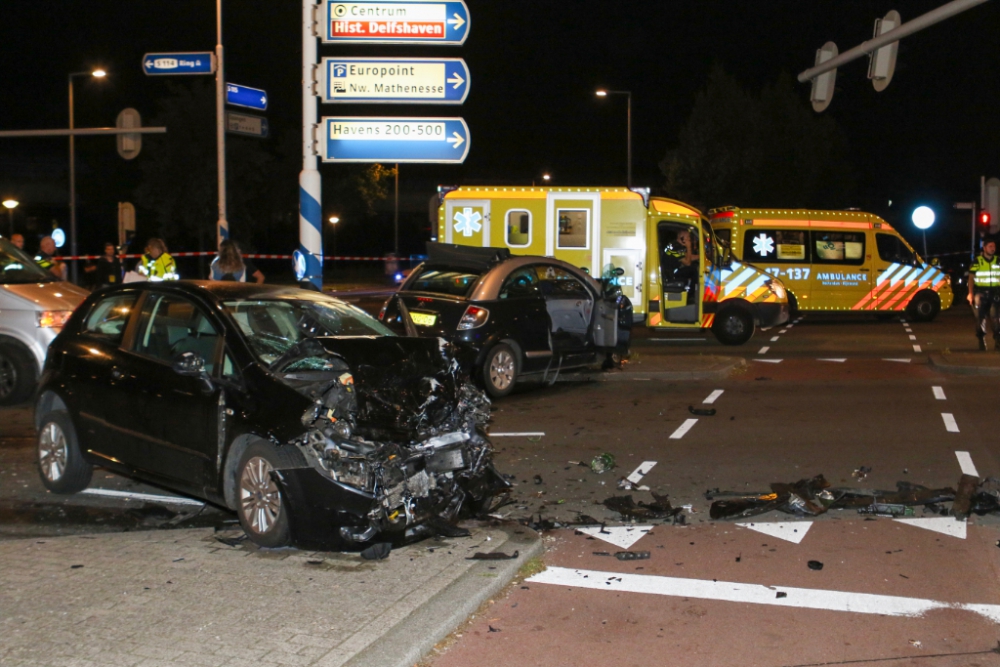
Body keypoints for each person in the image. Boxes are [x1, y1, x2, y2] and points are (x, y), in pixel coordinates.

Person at [968, 236, 1000, 350]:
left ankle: (998, 341)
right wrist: (970, 293)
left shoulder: (998, 260)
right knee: (980, 318)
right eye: (990, 246)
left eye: (994, 246)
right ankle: (981, 340)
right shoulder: (978, 261)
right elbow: (971, 278)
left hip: (995, 293)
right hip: (980, 293)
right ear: (984, 248)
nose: (993, 248)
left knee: (995, 318)